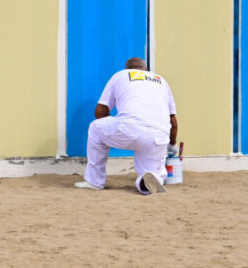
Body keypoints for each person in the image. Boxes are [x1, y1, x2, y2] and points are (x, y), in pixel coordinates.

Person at [75, 57, 179, 195]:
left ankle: (94, 181)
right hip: (159, 136)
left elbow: (100, 111)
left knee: (95, 127)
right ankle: (146, 182)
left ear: (127, 69)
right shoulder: (161, 80)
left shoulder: (121, 76)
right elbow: (173, 122)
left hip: (130, 128)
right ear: (146, 70)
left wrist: (111, 134)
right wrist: (172, 146)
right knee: (151, 172)